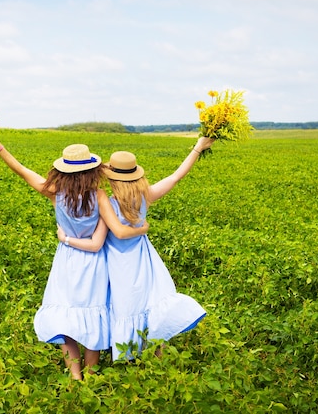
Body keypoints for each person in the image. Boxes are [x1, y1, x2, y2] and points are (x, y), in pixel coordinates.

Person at [0, 132, 147, 379]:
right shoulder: (99, 196)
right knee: (95, 315)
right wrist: (142, 226)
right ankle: (91, 375)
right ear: (92, 171)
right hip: (95, 262)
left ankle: (75, 376)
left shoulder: (54, 193)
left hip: (67, 261)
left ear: (62, 171)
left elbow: (21, 170)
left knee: (65, 317)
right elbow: (110, 233)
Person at [59, 136, 215, 360]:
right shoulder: (145, 196)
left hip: (117, 262)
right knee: (149, 304)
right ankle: (156, 358)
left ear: (111, 178)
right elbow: (176, 176)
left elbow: (112, 231)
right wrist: (198, 148)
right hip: (144, 258)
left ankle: (125, 352)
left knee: (124, 306)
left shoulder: (107, 203)